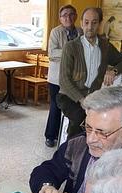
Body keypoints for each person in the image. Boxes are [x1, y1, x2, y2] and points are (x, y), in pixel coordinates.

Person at [58, 7, 122, 138]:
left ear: (99, 24)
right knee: (81, 119)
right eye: (86, 22)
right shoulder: (71, 47)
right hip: (68, 96)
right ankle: (70, 155)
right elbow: (64, 80)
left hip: (92, 96)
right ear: (81, 23)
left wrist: (113, 71)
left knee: (104, 120)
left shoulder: (105, 47)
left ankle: (91, 151)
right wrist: (81, 100)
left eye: (94, 22)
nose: (90, 26)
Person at [44, 5, 83, 148]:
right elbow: (52, 54)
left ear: (76, 16)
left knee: (73, 107)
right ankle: (50, 136)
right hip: (57, 78)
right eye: (64, 15)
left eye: (71, 14)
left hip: (75, 79)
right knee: (56, 107)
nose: (68, 17)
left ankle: (70, 136)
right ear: (60, 18)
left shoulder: (80, 31)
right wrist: (71, 52)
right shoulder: (55, 32)